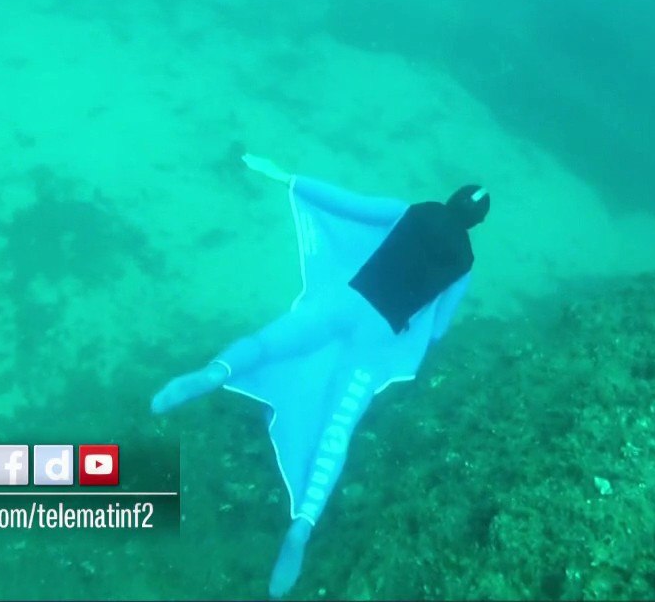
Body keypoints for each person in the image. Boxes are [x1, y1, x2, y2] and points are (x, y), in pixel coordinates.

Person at [151, 153, 489, 598]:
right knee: (338, 425)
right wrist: (417, 337)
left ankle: (215, 373)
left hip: (344, 303)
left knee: (269, 343)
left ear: (449, 198)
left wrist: (288, 178)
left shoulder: (414, 210)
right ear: (476, 223)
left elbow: (350, 204)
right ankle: (302, 526)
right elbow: (439, 330)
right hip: (379, 336)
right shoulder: (464, 263)